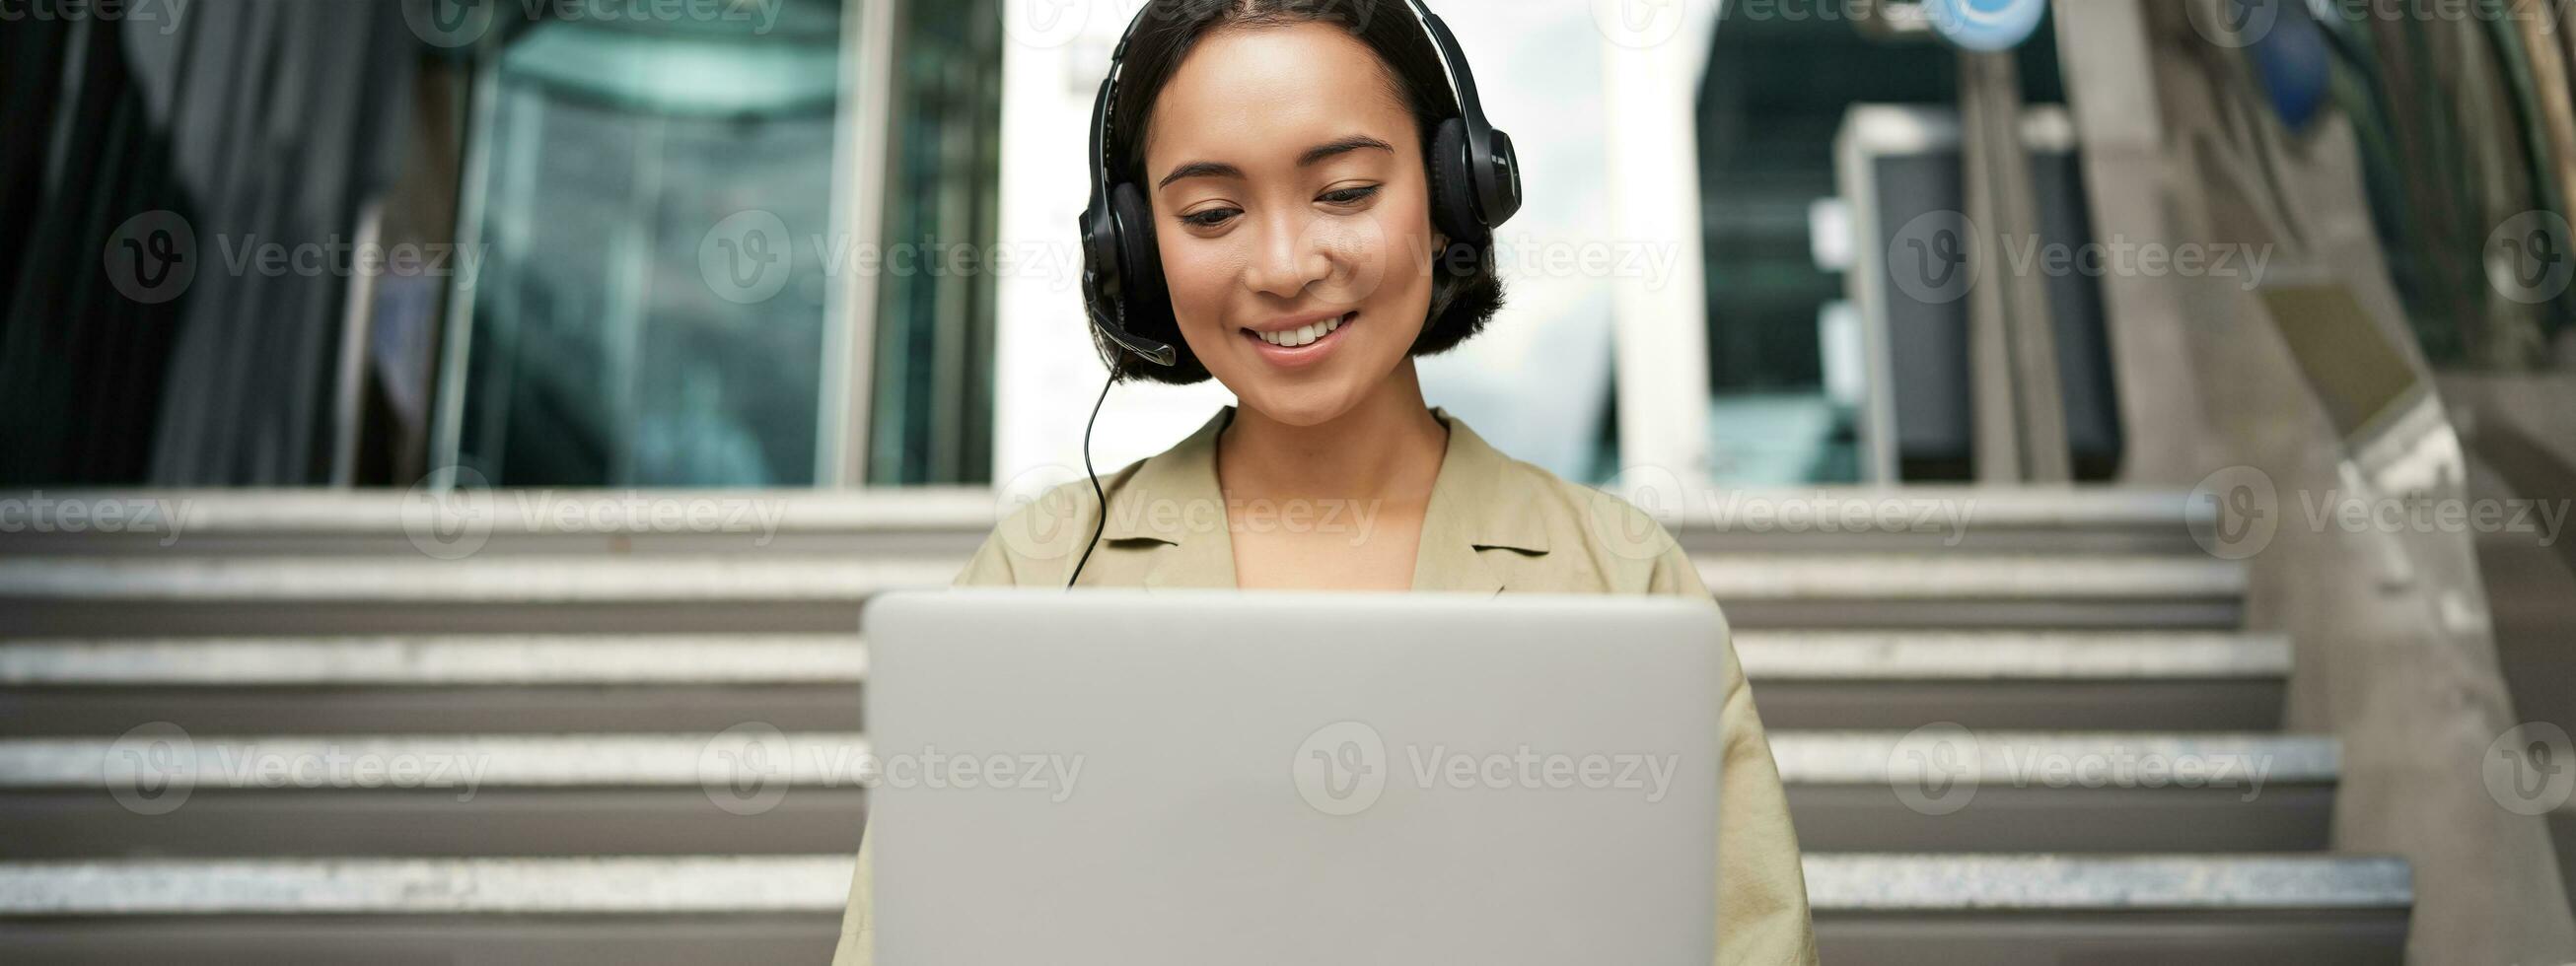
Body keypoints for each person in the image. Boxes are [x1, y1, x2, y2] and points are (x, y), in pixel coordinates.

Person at [832, 2, 1817, 962]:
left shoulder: (1621, 573)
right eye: (1212, 212)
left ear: (1451, 193)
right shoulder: (1034, 573)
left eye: (1343, 192)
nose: (1283, 264)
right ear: (1133, 252)